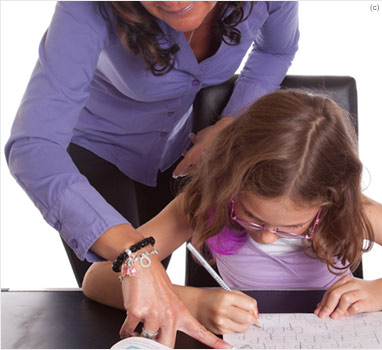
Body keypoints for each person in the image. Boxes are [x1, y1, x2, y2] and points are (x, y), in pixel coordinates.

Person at [4, 1, 298, 347]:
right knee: (122, 309)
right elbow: (33, 145)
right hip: (95, 152)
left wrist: (230, 123)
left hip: (177, 153)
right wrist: (133, 255)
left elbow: (277, 50)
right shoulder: (86, 6)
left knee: (155, 298)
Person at [82, 89, 382, 337]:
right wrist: (191, 302)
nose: (268, 237)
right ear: (230, 183)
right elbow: (96, 280)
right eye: (251, 217)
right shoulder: (201, 201)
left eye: (292, 226)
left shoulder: (355, 211)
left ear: (331, 199)